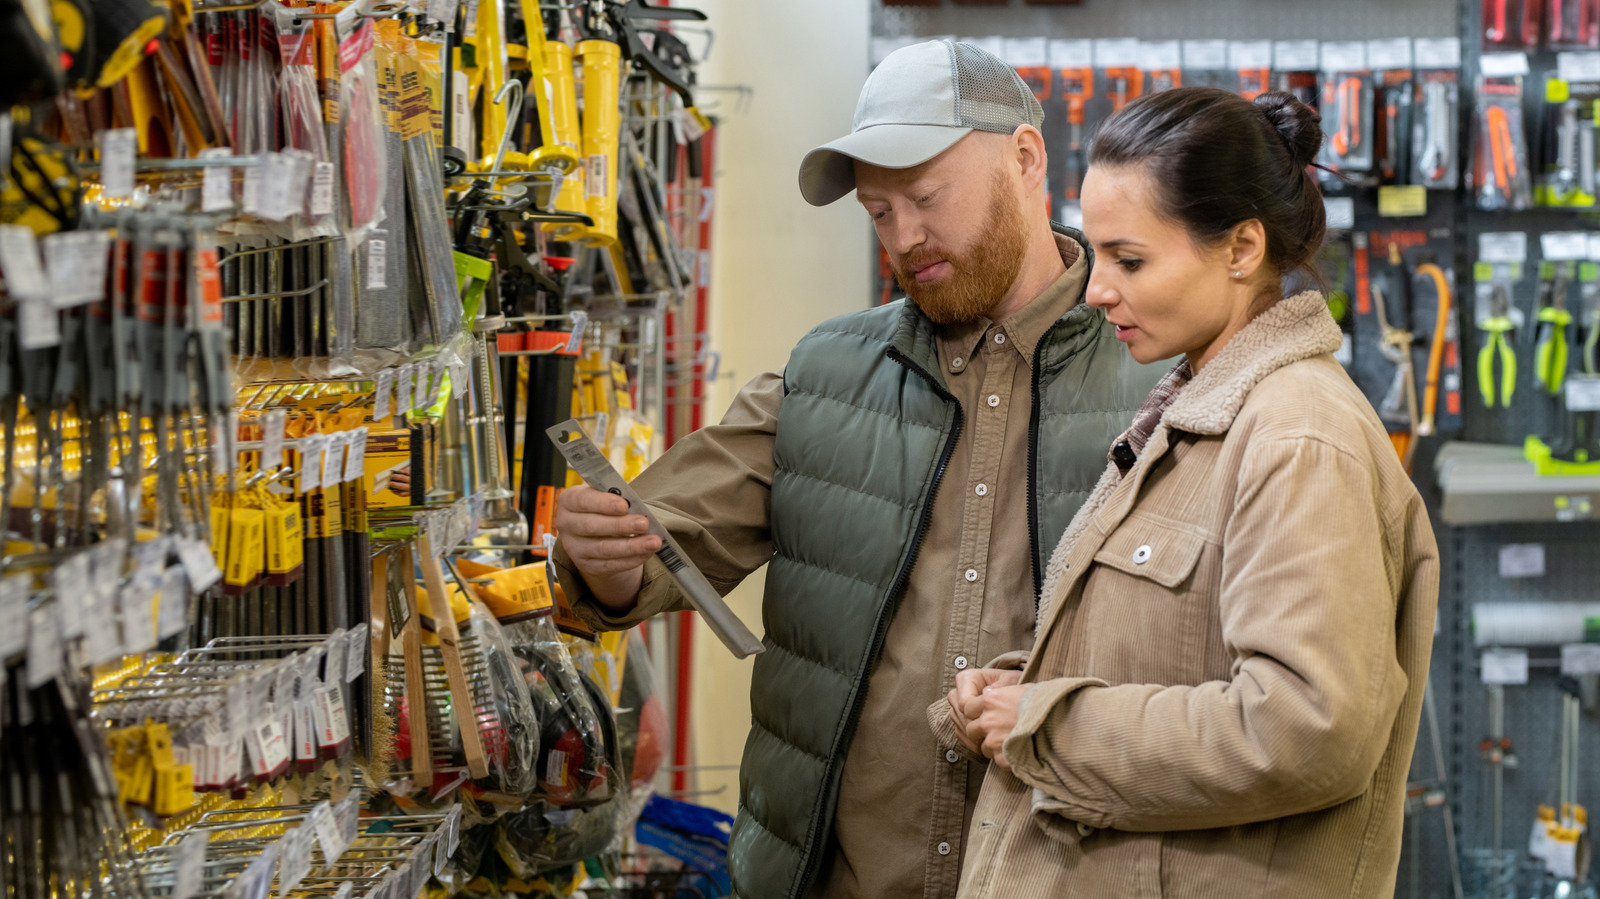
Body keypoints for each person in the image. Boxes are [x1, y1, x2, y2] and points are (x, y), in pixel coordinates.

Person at [552, 40, 1167, 899]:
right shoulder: (826, 374)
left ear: (1026, 157)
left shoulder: (1163, 379)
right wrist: (598, 559)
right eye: (879, 212)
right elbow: (653, 547)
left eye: (925, 196)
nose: (905, 238)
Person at [938, 86, 1441, 897]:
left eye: (1129, 259)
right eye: (1095, 253)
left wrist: (1049, 722)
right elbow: (1173, 650)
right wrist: (1027, 688)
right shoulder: (1198, 415)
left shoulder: (1296, 438)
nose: (1097, 288)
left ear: (1241, 248)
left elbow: (1308, 729)